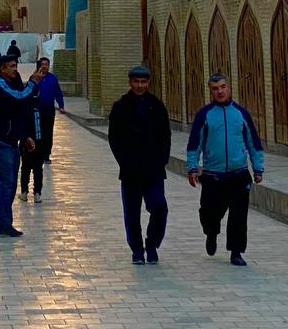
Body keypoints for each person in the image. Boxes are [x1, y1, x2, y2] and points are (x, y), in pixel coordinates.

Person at [186, 72, 264, 267]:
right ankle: (211, 232)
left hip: (239, 174)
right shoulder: (204, 115)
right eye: (215, 88)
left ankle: (236, 252)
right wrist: (192, 167)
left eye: (223, 87)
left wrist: (258, 168)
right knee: (209, 213)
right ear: (210, 91)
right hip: (213, 175)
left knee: (239, 215)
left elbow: (253, 142)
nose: (220, 91)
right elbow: (194, 143)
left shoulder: (241, 114)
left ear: (229, 88)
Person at [107, 63, 171, 264]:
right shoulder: (120, 107)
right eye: (136, 82)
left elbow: (165, 136)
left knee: (159, 208)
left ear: (148, 82)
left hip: (154, 170)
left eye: (143, 82)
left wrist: (161, 160)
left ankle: (152, 244)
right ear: (130, 82)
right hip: (130, 171)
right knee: (132, 214)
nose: (140, 86)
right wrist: (124, 161)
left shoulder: (157, 106)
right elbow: (114, 138)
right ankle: (137, 250)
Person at [0, 55, 43, 237]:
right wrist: (33, 83)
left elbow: (19, 111)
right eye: (11, 66)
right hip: (0, 140)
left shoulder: (13, 82)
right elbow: (18, 98)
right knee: (7, 183)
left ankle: (2, 222)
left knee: (8, 183)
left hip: (11, 140)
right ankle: (4, 224)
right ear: (2, 69)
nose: (15, 69)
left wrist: (25, 136)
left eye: (15, 65)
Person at [19, 56, 66, 199]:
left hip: (48, 112)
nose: (45, 66)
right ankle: (26, 191)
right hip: (33, 118)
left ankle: (46, 154)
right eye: (43, 64)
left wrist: (61, 105)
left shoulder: (52, 78)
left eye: (47, 64)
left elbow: (58, 92)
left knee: (47, 133)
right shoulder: (34, 79)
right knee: (28, 165)